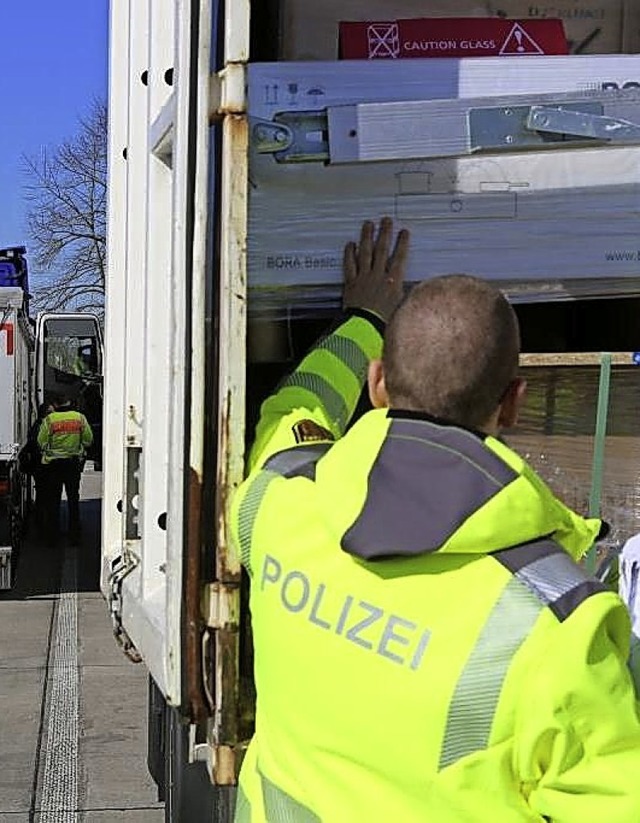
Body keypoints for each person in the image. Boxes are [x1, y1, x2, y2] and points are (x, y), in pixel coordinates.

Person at [230, 218, 640, 822]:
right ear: (514, 402)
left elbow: (294, 407)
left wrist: (362, 316)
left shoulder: (279, 503)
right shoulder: (561, 630)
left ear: (376, 383)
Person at [38, 393, 93, 544]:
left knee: (53, 502)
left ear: (55, 405)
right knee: (73, 500)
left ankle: (52, 537)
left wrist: (50, 451)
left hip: (54, 466)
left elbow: (41, 442)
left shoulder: (50, 420)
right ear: (69, 402)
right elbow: (88, 440)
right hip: (72, 464)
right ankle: (74, 535)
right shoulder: (79, 418)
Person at [18, 402, 53, 531]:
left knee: (42, 497)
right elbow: (39, 447)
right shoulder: (42, 426)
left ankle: (42, 525)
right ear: (47, 414)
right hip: (43, 467)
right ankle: (44, 527)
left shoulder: (37, 426)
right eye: (51, 412)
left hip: (39, 467)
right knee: (46, 498)